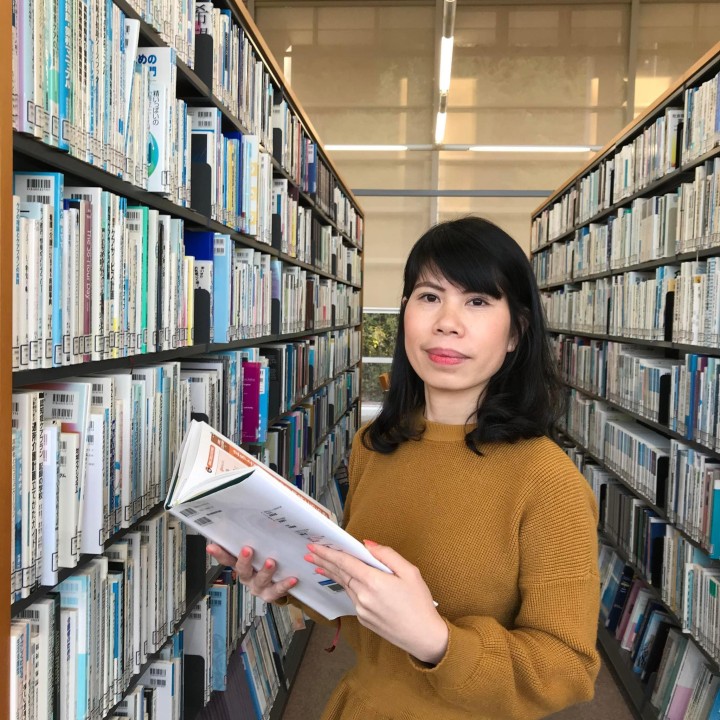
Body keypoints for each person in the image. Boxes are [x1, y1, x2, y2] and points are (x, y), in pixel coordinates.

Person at [207, 216, 601, 720]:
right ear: (405, 313)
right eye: (430, 296)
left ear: (515, 334)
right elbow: (364, 610)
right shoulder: (373, 446)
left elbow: (567, 670)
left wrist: (437, 641)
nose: (447, 322)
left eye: (478, 301)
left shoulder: (549, 482)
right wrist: (287, 581)